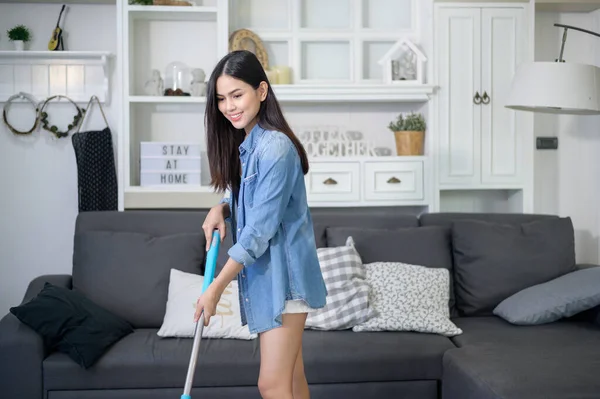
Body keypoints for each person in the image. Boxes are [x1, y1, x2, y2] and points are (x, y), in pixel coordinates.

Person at [193, 50, 328, 399]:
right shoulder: (249, 145)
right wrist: (222, 207)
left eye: (237, 95)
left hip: (285, 282)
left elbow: (258, 232)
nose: (228, 106)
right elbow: (256, 199)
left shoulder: (275, 148)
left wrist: (215, 287)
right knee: (292, 381)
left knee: (271, 384)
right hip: (272, 280)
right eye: (222, 98)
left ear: (262, 91)